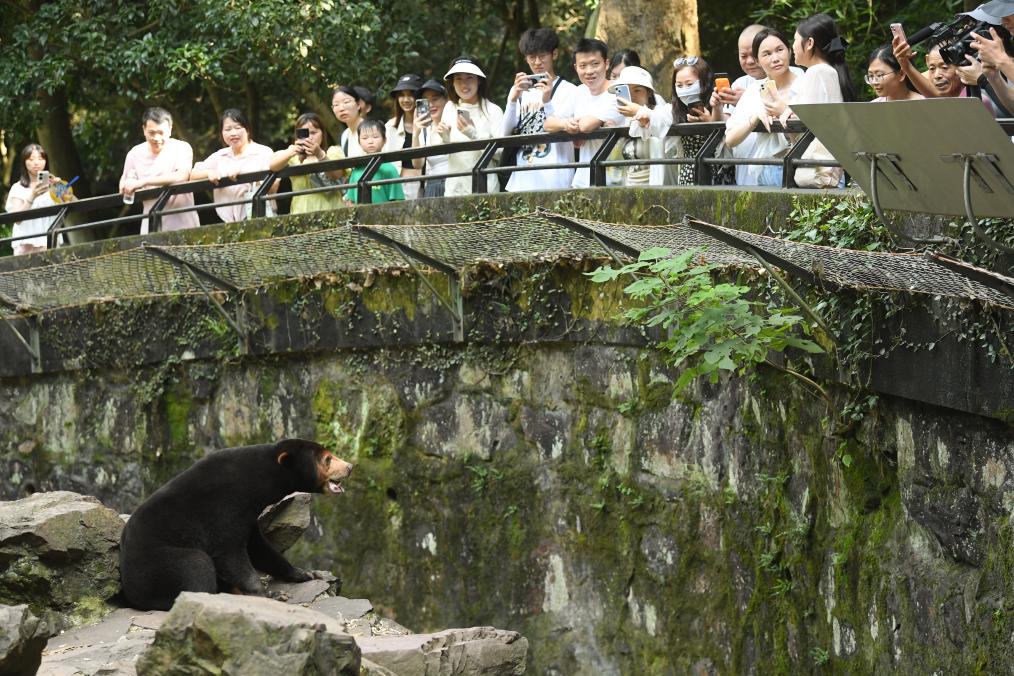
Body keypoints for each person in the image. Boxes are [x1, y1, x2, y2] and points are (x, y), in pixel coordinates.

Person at [501, 27, 577, 192]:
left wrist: (546, 100)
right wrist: (512, 100)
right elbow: (505, 134)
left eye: (542, 56)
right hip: (520, 181)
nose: (537, 62)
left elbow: (557, 128)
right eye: (531, 57)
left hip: (557, 180)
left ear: (554, 54)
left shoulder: (570, 90)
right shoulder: (521, 91)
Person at [545, 38, 627, 189]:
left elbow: (586, 126)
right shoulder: (579, 91)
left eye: (595, 64)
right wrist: (565, 123)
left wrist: (575, 125)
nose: (589, 71)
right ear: (576, 68)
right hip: (582, 180)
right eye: (583, 66)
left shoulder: (620, 90)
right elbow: (548, 123)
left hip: (616, 181)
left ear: (606, 64)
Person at [724, 28, 801, 186]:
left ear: (789, 51)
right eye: (766, 54)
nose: (775, 58)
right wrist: (754, 119)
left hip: (801, 169)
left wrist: (783, 111)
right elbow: (730, 140)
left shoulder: (805, 84)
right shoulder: (753, 91)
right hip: (766, 171)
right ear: (758, 61)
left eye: (780, 50)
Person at [432, 56, 504, 196]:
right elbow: (443, 152)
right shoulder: (449, 107)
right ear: (452, 83)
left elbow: (500, 154)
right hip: (454, 188)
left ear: (479, 80)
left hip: (485, 188)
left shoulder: (493, 110)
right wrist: (445, 137)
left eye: (469, 77)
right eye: (458, 79)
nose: (464, 84)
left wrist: (473, 134)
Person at [120, 107, 199, 233]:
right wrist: (127, 184)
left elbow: (182, 176)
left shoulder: (182, 148)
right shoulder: (134, 154)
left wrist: (143, 182)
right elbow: (123, 184)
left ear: (170, 129)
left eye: (161, 133)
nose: (157, 138)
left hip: (184, 224)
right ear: (144, 130)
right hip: (150, 225)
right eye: (151, 133)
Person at [189, 108, 276, 223]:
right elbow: (193, 175)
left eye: (238, 127)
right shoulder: (220, 156)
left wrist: (244, 173)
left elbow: (274, 186)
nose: (233, 133)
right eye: (228, 129)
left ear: (247, 130)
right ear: (222, 133)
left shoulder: (263, 152)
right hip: (228, 222)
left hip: (260, 218)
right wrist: (209, 173)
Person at [268, 112, 345, 214]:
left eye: (314, 133)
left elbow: (337, 174)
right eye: (305, 133)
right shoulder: (293, 156)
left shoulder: (332, 152)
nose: (310, 137)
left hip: (331, 210)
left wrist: (319, 154)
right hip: (301, 211)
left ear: (323, 133)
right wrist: (291, 152)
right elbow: (272, 166)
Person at [611, 66, 665, 185]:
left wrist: (640, 113)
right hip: (629, 186)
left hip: (654, 187)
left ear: (649, 92)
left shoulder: (660, 112)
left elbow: (661, 120)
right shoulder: (626, 119)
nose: (632, 96)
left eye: (637, 90)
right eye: (627, 91)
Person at [4, 144, 61, 255]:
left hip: (50, 243)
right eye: (31, 159)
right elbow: (17, 220)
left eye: (40, 159)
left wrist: (62, 187)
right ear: (24, 162)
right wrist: (32, 196)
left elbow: (73, 203)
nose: (36, 163)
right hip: (26, 245)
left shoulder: (54, 185)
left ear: (46, 161)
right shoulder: (18, 188)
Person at [345, 120, 405, 204]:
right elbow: (351, 201)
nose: (370, 141)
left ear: (384, 140)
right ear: (359, 142)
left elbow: (398, 201)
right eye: (365, 138)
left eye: (375, 137)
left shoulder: (390, 169)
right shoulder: (356, 171)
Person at [386, 74, 425, 200]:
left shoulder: (431, 124)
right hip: (399, 186)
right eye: (401, 95)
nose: (406, 99)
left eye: (411, 94)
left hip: (428, 183)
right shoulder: (390, 126)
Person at [411, 79, 451, 198]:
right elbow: (417, 164)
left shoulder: (455, 122)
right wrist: (415, 134)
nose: (431, 105)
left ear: (447, 100)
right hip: (433, 186)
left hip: (456, 181)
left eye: (435, 99)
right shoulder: (425, 130)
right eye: (426, 101)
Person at [332, 86, 366, 158]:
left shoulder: (371, 129)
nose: (341, 108)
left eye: (346, 102)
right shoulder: (345, 135)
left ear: (358, 104)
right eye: (336, 105)